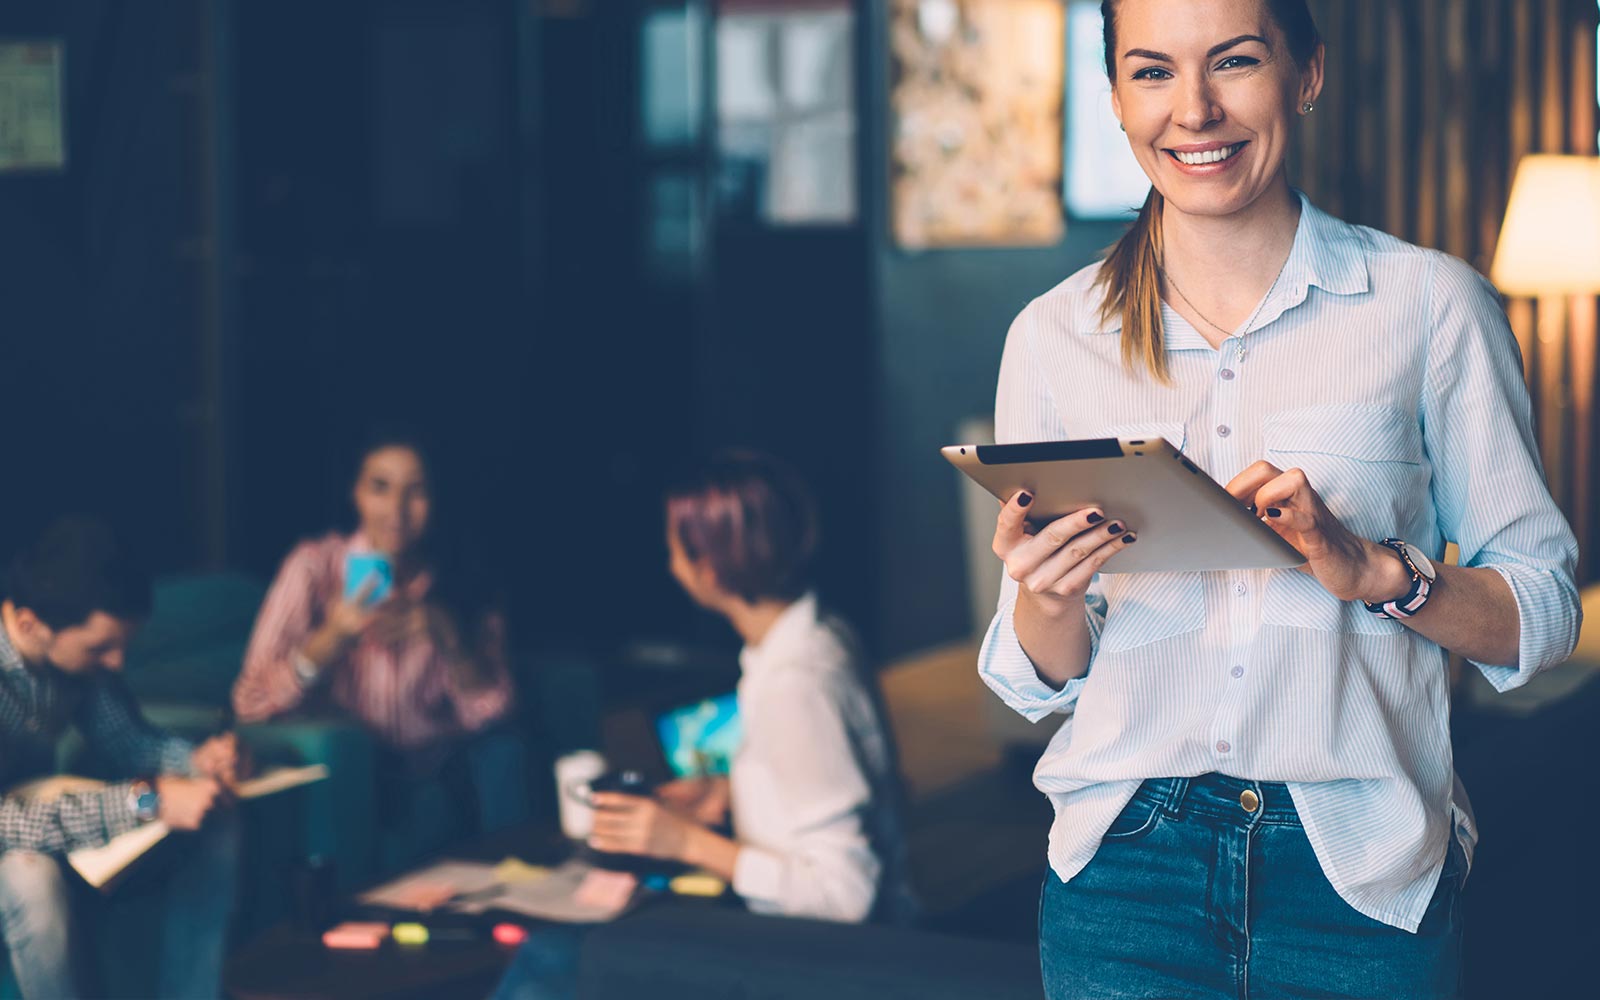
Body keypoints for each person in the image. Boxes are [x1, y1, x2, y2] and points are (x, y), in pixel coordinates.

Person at [980, 1, 1582, 997]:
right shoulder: (1053, 336)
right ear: (1116, 97)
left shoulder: (1429, 305)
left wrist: (1377, 572)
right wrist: (1045, 595)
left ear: (1306, 74)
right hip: (1125, 874)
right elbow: (1044, 670)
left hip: (1361, 877)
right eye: (1152, 72)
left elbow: (1544, 612)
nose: (1194, 110)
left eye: (1235, 62)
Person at [491, 452, 911, 1000]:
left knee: (552, 959)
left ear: (708, 566)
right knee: (567, 950)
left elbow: (846, 895)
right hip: (807, 939)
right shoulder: (816, 635)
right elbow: (828, 781)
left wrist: (686, 842)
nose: (671, 565)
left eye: (674, 549)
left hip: (816, 960)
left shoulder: (795, 684)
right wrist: (728, 792)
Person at [231, 429, 527, 864]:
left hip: (439, 766)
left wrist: (448, 636)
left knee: (503, 750)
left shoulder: (460, 577)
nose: (397, 510)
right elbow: (250, 702)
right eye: (380, 487)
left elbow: (493, 714)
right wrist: (331, 638)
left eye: (416, 491)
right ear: (356, 492)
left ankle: (516, 883)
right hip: (356, 764)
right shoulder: (315, 567)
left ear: (437, 499)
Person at [0, 516, 240, 1000]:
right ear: (28, 624)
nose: (117, 663)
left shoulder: (80, 665)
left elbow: (129, 741)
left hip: (47, 817)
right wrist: (146, 802)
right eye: (101, 648)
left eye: (123, 646)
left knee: (216, 816)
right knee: (30, 877)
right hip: (16, 840)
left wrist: (199, 761)